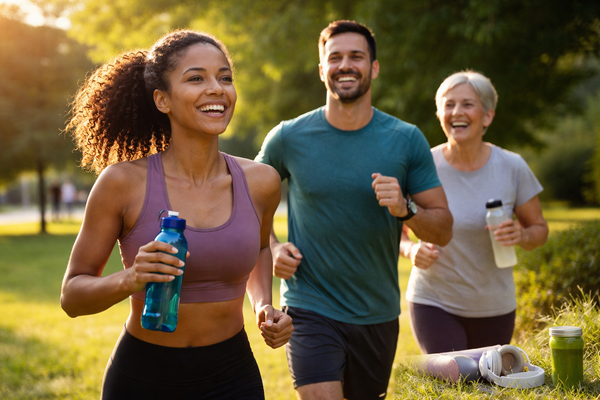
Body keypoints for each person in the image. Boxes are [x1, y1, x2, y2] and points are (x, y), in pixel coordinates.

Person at [60, 29, 293, 400]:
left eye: (225, 77)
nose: (217, 88)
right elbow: (72, 296)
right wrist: (132, 278)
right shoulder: (122, 183)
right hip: (142, 377)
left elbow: (261, 250)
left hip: (232, 376)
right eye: (196, 78)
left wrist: (264, 305)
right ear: (162, 100)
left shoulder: (261, 182)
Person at [255, 20, 453, 400]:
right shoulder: (288, 137)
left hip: (376, 313)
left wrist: (406, 208)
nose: (345, 65)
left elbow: (443, 229)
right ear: (321, 69)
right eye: (335, 57)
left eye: (356, 57)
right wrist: (275, 246)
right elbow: (246, 205)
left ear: (374, 68)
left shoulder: (406, 139)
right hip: (308, 305)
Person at [402, 70, 549, 354]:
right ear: (439, 113)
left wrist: (520, 234)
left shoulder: (512, 166)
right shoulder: (422, 167)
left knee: (488, 386)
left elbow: (539, 231)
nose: (457, 112)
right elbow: (394, 230)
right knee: (453, 381)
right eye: (449, 104)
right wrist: (409, 250)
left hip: (495, 305)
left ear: (488, 116)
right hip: (434, 301)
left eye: (468, 104)